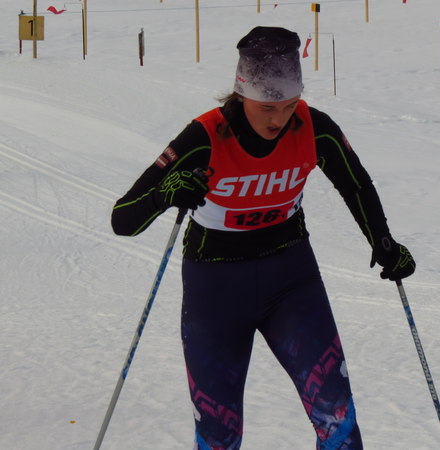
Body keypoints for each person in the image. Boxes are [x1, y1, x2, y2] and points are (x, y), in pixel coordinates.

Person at [111, 26, 415, 449]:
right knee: (219, 434)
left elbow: (356, 184)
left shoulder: (313, 127)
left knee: (336, 415)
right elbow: (123, 219)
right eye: (268, 107)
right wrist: (166, 193)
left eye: (289, 105)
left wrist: (383, 242)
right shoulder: (205, 136)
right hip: (215, 290)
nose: (279, 119)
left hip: (291, 280)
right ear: (242, 94)